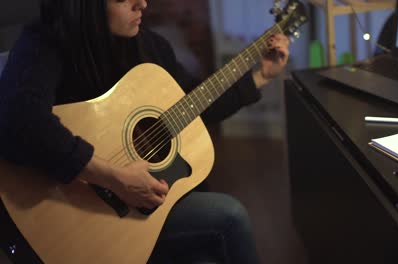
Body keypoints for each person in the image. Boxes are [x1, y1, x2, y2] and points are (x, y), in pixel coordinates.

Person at [0, 0, 290, 263]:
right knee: (230, 217)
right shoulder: (44, 43)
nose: (142, 4)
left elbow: (197, 105)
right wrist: (114, 178)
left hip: (138, 218)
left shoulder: (150, 46)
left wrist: (261, 76)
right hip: (67, 222)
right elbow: (21, 120)